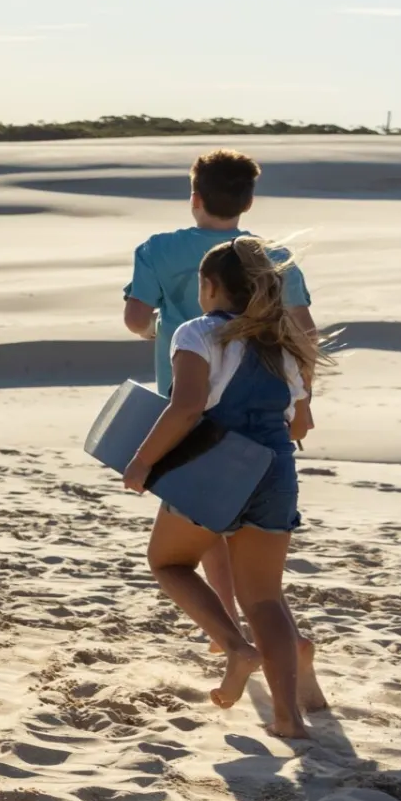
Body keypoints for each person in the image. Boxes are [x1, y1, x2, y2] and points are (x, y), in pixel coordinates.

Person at [121, 237, 331, 737]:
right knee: (265, 598)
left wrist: (142, 461)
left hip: (215, 468)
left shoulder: (196, 333)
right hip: (276, 471)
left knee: (168, 562)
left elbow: (187, 406)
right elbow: (299, 426)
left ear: (210, 286)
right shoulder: (282, 344)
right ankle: (289, 719)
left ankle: (236, 648)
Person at [121, 149, 314, 633]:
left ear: (194, 197)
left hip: (187, 402)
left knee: (200, 514)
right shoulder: (270, 257)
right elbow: (304, 333)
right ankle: (259, 629)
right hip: (263, 401)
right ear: (248, 203)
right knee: (247, 524)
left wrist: (162, 333)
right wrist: (304, 402)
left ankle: (226, 626)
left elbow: (135, 320)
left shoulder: (157, 249)